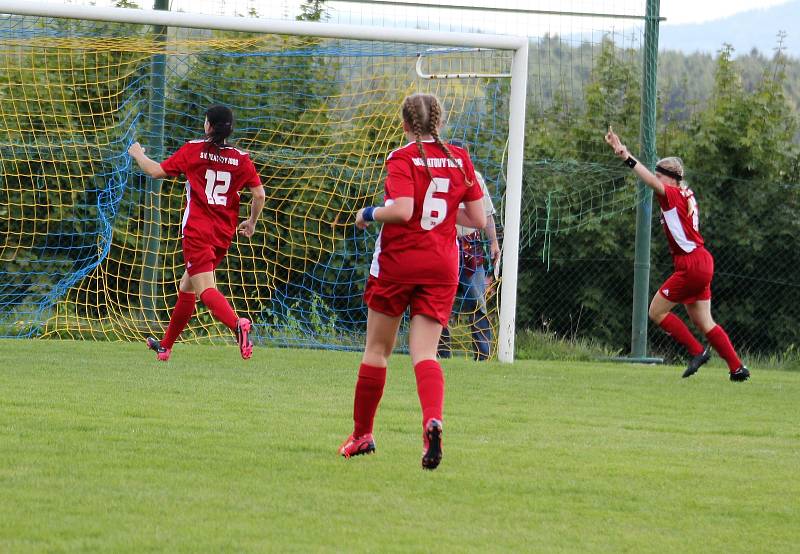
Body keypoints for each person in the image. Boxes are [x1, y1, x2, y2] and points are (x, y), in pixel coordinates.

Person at [338, 93, 487, 470]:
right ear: (439, 122)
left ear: (405, 124)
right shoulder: (459, 158)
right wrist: (443, 219)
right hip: (441, 266)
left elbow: (402, 211)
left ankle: (362, 435)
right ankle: (431, 422)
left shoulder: (401, 158)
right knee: (425, 354)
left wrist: (367, 212)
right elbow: (479, 220)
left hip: (399, 263)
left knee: (377, 351)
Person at [604, 126, 750, 382]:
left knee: (656, 312)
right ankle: (737, 368)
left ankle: (697, 351)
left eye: (660, 175)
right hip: (702, 260)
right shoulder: (685, 193)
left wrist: (624, 154)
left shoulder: (670, 194)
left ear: (670, 179)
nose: (656, 180)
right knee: (706, 323)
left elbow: (648, 180)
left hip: (691, 264)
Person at [128, 105, 266, 362]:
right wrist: (252, 221)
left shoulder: (194, 150)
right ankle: (165, 347)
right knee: (187, 286)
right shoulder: (241, 158)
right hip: (223, 234)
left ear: (208, 126)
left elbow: (156, 170)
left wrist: (137, 154)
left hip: (197, 232)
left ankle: (238, 325)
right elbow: (259, 194)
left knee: (205, 290)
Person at [437, 138, 500, 361]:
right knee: (439, 300)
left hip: (469, 245)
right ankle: (440, 353)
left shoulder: (476, 178)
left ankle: (482, 356)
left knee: (477, 301)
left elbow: (488, 214)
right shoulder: (438, 177)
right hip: (442, 245)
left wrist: (493, 242)